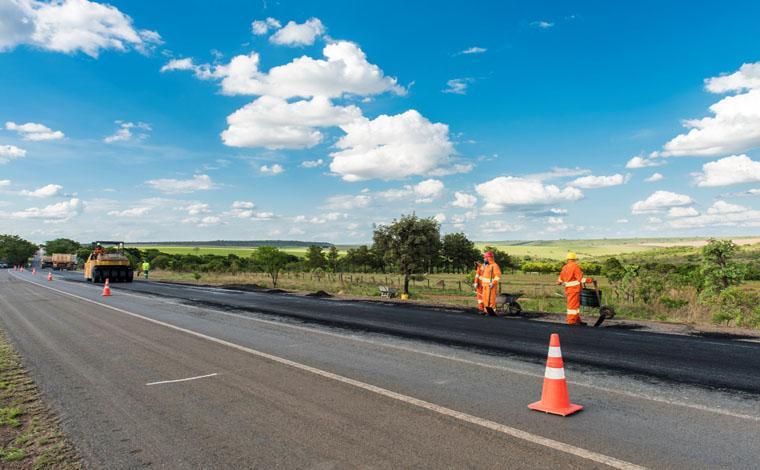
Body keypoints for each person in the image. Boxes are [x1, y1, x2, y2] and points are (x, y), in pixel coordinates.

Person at [556, 252, 592, 325]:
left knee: (575, 306)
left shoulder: (565, 267)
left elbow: (560, 279)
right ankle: (571, 321)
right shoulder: (575, 266)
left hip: (569, 289)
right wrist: (590, 280)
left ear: (567, 259)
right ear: (575, 259)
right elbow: (580, 279)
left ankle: (577, 320)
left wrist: (559, 282)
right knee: (572, 307)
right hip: (574, 289)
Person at [480, 251, 502, 316]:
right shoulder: (486, 265)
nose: (484, 259)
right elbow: (481, 271)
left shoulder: (494, 266)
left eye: (485, 258)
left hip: (491, 286)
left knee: (491, 299)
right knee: (485, 299)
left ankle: (492, 311)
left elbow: (498, 275)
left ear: (489, 258)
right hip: (485, 286)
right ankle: (486, 310)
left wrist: (493, 283)